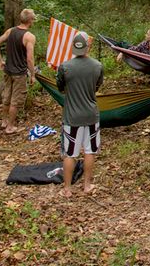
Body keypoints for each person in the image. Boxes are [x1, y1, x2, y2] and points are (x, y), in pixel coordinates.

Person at [56, 31, 104, 198]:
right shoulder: (97, 66)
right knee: (89, 151)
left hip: (72, 117)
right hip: (91, 115)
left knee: (70, 153)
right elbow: (97, 87)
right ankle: (87, 185)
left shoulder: (65, 67)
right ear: (87, 46)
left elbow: (60, 87)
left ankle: (67, 188)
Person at [0, 8, 37, 134]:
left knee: (6, 97)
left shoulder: (10, 31)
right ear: (30, 20)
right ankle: (10, 127)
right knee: (15, 101)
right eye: (33, 19)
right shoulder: (29, 36)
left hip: (8, 71)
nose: (33, 21)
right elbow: (29, 59)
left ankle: (4, 121)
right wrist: (33, 75)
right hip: (19, 74)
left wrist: (0, 61)